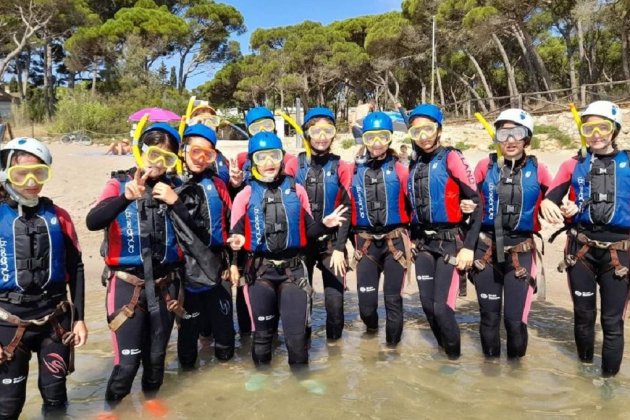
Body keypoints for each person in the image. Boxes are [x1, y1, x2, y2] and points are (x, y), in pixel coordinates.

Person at [86, 123, 184, 409]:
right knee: (127, 363)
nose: (159, 164)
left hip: (166, 286)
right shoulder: (118, 184)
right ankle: (113, 409)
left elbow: (197, 234)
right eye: (154, 154)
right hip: (127, 285)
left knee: (156, 360)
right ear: (141, 152)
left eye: (168, 158)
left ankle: (151, 403)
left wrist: (176, 202)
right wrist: (125, 198)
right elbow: (93, 222)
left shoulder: (176, 188)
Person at [227, 132, 347, 366]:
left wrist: (325, 224)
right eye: (262, 157)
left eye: (274, 155)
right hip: (260, 274)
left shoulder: (297, 190)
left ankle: (301, 384)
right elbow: (236, 234)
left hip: (293, 272)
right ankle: (263, 381)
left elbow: (310, 230)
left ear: (282, 158)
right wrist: (235, 251)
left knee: (297, 337)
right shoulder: (245, 195)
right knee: (262, 336)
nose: (269, 162)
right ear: (253, 161)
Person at [541, 100, 630, 377]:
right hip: (580, 252)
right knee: (583, 316)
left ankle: (607, 385)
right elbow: (549, 199)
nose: (595, 134)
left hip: (620, 253)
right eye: (588, 127)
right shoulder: (574, 164)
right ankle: (584, 374)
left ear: (614, 129)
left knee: (612, 322)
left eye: (602, 127)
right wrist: (555, 207)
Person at [0, 137, 88, 418]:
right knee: (8, 404)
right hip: (8, 323)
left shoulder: (58, 216)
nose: (31, 181)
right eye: (21, 173)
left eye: (39, 173)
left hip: (55, 322)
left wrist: (80, 318)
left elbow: (76, 268)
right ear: (5, 174)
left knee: (55, 396)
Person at [471, 109, 551, 359]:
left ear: (527, 138)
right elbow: (468, 197)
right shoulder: (485, 166)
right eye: (504, 133)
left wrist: (555, 202)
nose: (510, 139)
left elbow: (560, 197)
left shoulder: (539, 169)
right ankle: (491, 379)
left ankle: (516, 376)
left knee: (515, 321)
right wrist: (466, 206)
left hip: (520, 254)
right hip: (486, 251)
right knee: (489, 317)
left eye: (517, 133)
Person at [406, 104, 480, 359]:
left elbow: (477, 203)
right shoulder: (413, 164)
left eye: (428, 129)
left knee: (442, 308)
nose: (423, 136)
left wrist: (469, 247)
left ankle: (454, 361)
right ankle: (442, 352)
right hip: (424, 246)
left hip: (450, 243)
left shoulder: (451, 157)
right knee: (427, 306)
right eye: (417, 132)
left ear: (439, 129)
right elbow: (410, 207)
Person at [163, 124, 235, 367]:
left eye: (208, 154)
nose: (201, 159)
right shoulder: (170, 185)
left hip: (217, 267)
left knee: (225, 340)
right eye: (195, 152)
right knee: (187, 343)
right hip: (186, 273)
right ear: (183, 151)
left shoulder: (218, 184)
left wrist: (233, 263)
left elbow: (229, 222)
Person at [228, 106, 298, 337]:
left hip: (285, 239)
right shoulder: (239, 161)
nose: (261, 131)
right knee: (250, 305)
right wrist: (235, 184)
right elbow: (230, 204)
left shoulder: (288, 161)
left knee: (285, 308)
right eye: (255, 128)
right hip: (250, 243)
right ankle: (250, 337)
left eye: (267, 126)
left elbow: (295, 202)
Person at [349, 111, 411, 347]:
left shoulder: (400, 169)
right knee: (366, 307)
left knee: (393, 300)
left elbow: (415, 205)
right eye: (371, 137)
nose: (376, 143)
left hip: (394, 242)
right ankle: (372, 331)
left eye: (382, 137)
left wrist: (413, 242)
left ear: (390, 138)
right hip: (365, 244)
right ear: (363, 138)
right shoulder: (354, 170)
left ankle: (393, 353)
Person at [296, 107, 352, 340]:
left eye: (327, 131)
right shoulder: (294, 164)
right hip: (301, 244)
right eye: (315, 131)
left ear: (333, 134)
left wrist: (340, 248)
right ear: (307, 134)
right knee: (302, 301)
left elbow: (347, 210)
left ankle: (335, 354)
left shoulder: (342, 166)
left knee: (335, 304)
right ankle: (304, 347)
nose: (321, 136)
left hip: (330, 244)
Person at [187, 103, 230, 185]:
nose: (205, 128)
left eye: (210, 122)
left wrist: (235, 185)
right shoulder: (182, 158)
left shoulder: (222, 160)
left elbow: (226, 189)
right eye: (200, 122)